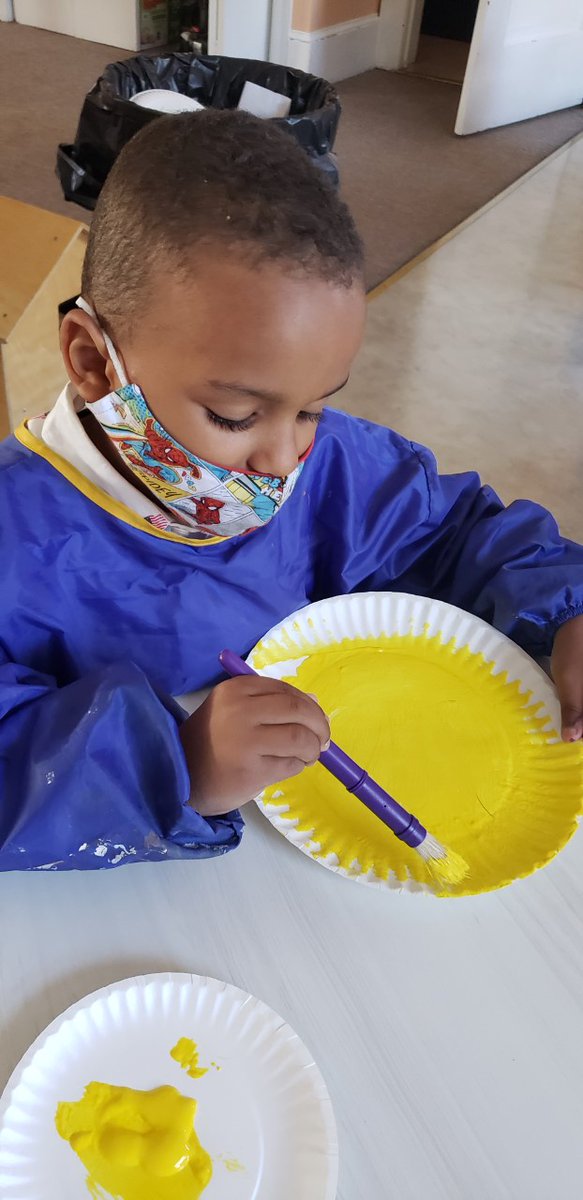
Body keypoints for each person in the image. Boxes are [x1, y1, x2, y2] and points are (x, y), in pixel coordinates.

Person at [1, 111, 582, 872]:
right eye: (235, 415)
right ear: (91, 359)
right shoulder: (19, 545)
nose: (285, 456)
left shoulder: (333, 462)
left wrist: (566, 607)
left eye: (311, 405)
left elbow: (458, 530)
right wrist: (178, 765)